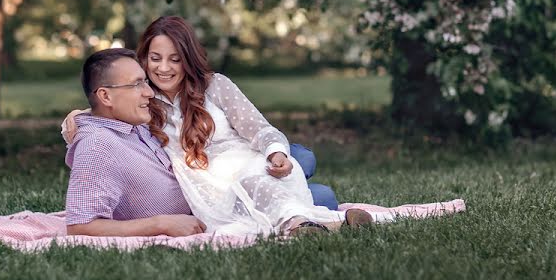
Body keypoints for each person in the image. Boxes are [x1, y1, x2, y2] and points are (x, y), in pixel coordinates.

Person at [133, 16, 369, 236]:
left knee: (298, 161)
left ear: (188, 59)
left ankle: (301, 222)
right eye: (155, 58)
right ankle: (328, 221)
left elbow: (259, 129)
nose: (163, 68)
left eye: (175, 59)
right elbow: (106, 108)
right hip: (213, 188)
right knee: (323, 196)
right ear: (144, 58)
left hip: (250, 163)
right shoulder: (140, 99)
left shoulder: (215, 86)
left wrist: (276, 153)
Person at [64, 48, 206, 237]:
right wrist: (161, 224)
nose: (149, 92)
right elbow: (81, 227)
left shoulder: (131, 121)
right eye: (137, 84)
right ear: (106, 96)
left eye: (145, 82)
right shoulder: (97, 145)